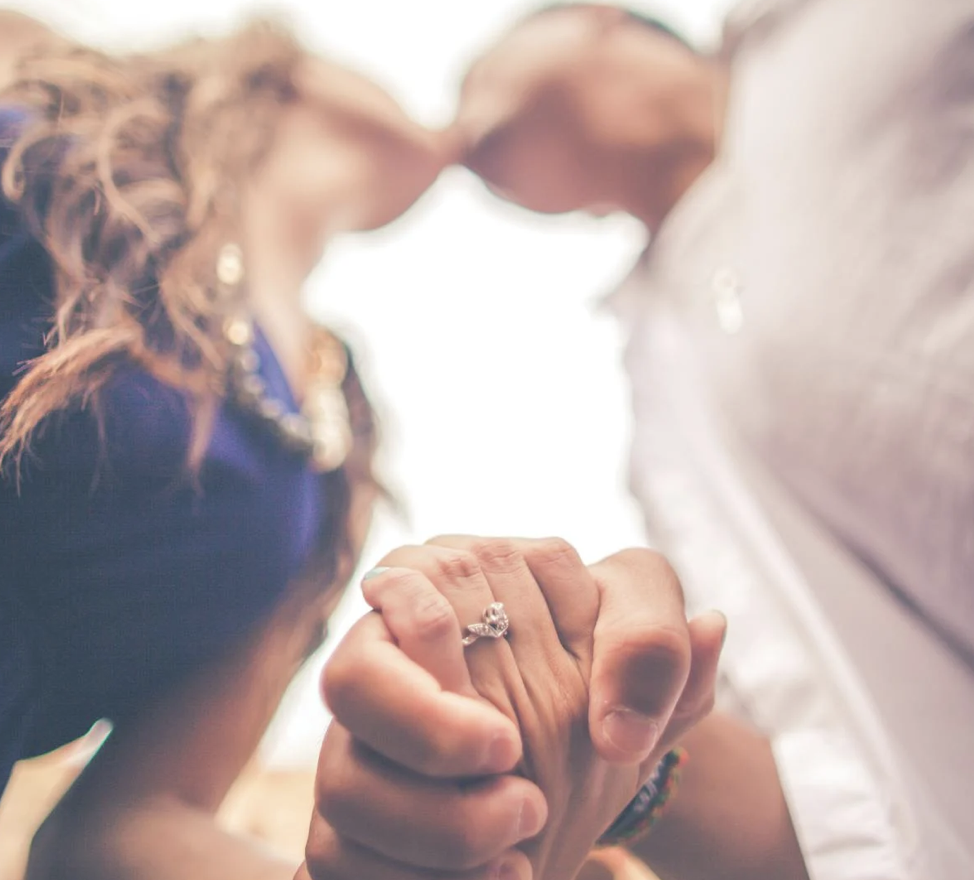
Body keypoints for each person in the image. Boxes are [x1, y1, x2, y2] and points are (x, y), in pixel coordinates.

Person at [0, 16, 723, 880]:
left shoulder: (333, 439)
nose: (457, 128)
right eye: (457, 83)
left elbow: (126, 827)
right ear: (288, 71)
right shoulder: (35, 130)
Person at [307, 1, 974, 879]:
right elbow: (853, 811)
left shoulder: (838, 30)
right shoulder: (660, 416)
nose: (459, 128)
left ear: (599, 18)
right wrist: (581, 725)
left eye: (477, 76)